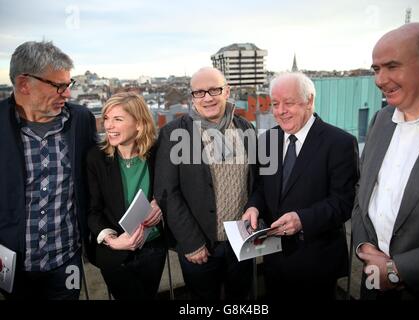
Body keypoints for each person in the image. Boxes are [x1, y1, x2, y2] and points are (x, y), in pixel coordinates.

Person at [352, 22, 419, 300]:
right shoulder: (381, 120)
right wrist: (363, 248)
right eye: (376, 69)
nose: (380, 80)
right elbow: (363, 193)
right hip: (372, 285)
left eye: (392, 66)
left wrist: (398, 270)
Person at [243, 72, 359, 300]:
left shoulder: (340, 143)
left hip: (317, 261)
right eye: (275, 104)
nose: (280, 111)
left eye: (289, 102)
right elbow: (260, 187)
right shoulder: (267, 140)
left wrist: (302, 220)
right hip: (274, 258)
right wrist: (254, 206)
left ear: (310, 101)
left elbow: (344, 202)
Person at [0, 41, 97, 299]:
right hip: (13, 266)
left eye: (69, 84)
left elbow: (100, 173)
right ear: (23, 84)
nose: (67, 94)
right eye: (58, 86)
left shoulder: (81, 120)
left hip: (67, 263)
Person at [154, 67, 257, 300]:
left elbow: (255, 181)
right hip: (199, 247)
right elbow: (166, 192)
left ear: (227, 91)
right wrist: (191, 243)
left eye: (214, 90)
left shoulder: (245, 128)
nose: (207, 97)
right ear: (192, 97)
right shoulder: (173, 133)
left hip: (241, 242)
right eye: (199, 92)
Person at [86, 92, 167, 300]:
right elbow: (92, 210)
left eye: (117, 119)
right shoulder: (96, 157)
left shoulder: (158, 152)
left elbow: (170, 190)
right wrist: (112, 241)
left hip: (153, 248)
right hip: (115, 253)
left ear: (139, 124)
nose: (108, 126)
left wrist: (160, 205)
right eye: (106, 119)